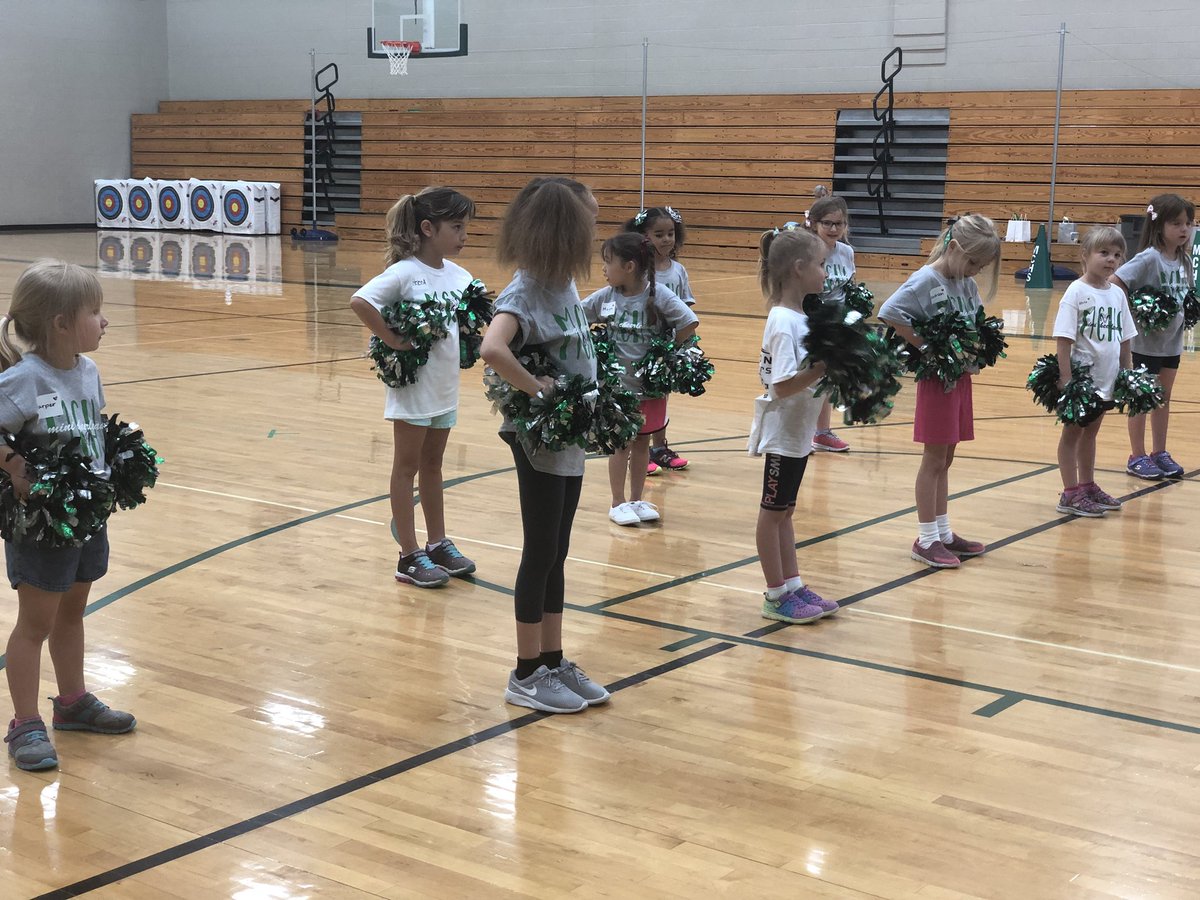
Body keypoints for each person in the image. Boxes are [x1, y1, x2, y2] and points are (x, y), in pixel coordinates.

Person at [480, 177, 610, 714]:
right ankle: (526, 672)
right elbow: (492, 347)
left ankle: (553, 659)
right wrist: (541, 388)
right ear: (563, 228)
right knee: (540, 551)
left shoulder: (565, 285)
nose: (595, 232)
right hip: (539, 437)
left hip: (570, 435)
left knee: (557, 550)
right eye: (589, 222)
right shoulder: (526, 290)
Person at [1, 260, 134, 772]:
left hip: (86, 514)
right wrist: (16, 468)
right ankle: (24, 722)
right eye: (94, 312)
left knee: (73, 612)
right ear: (60, 322)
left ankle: (73, 702)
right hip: (41, 524)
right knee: (36, 622)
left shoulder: (88, 370)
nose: (104, 322)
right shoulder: (23, 380)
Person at [350, 187, 478, 587]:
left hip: (445, 388)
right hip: (413, 390)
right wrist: (391, 339)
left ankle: (438, 542)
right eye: (456, 227)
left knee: (434, 465)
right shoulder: (404, 272)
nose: (464, 236)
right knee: (406, 468)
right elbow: (361, 301)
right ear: (427, 228)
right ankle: (408, 554)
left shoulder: (462, 277)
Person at [877, 214, 1001, 569]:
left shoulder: (967, 285)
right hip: (936, 382)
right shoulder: (925, 278)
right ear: (957, 248)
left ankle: (944, 533)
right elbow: (890, 312)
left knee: (946, 458)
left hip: (960, 379)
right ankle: (926, 538)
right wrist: (927, 347)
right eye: (975, 262)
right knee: (933, 460)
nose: (977, 270)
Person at [750, 227, 840, 624]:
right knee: (773, 513)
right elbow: (782, 384)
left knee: (785, 512)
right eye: (821, 265)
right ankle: (775, 594)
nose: (825, 272)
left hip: (799, 431)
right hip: (783, 433)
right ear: (799, 268)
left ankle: (793, 584)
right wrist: (824, 365)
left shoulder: (800, 317)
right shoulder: (784, 321)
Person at [582, 233, 698, 526]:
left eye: (608, 263)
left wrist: (667, 355)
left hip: (650, 389)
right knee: (621, 444)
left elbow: (688, 323)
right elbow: (577, 317)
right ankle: (617, 502)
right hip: (618, 390)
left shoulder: (658, 295)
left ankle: (636, 499)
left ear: (630, 266)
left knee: (643, 444)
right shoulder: (606, 297)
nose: (604, 269)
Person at [1110, 193, 1194, 479]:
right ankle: (1137, 455)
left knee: (1164, 398)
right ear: (1159, 226)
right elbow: (1116, 282)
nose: (1184, 229)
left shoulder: (1184, 260)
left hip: (1171, 343)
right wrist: (1136, 307)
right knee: (1142, 399)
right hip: (1144, 343)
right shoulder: (1148, 258)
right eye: (1177, 223)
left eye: (1188, 223)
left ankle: (1160, 452)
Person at [1052, 227, 1135, 516]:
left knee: (1091, 434)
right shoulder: (1076, 291)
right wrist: (1066, 378)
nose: (1111, 259)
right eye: (1104, 253)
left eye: (1117, 255)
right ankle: (1070, 493)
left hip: (1108, 378)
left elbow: (1126, 339)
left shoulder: (1117, 295)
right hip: (1083, 381)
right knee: (1072, 434)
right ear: (1084, 256)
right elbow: (1064, 338)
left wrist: (1129, 374)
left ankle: (1087, 485)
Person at [624, 206, 695, 474]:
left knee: (660, 396)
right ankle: (635, 448)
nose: (666, 239)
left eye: (670, 234)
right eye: (659, 234)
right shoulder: (638, 270)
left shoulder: (678, 270)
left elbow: (686, 305)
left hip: (669, 345)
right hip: (641, 343)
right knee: (637, 396)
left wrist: (684, 339)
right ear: (643, 236)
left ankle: (659, 447)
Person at [804, 187, 856, 453]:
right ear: (814, 224)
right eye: (827, 223)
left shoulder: (846, 252)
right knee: (806, 377)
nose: (834, 229)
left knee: (827, 378)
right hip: (809, 323)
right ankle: (800, 432)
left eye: (839, 223)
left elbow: (850, 288)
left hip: (835, 323)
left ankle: (821, 432)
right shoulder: (807, 250)